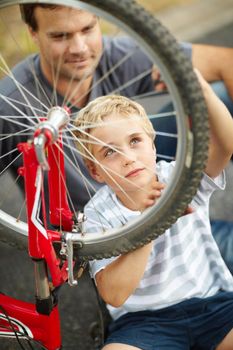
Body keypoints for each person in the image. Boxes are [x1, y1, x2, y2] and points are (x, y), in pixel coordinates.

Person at [0, 4, 233, 266]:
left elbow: (226, 62)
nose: (79, 48)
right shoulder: (9, 104)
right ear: (33, 32)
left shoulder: (117, 55)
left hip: (143, 174)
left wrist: (189, 80)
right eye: (60, 36)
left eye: (87, 29)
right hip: (107, 228)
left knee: (217, 99)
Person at [73, 72, 233, 349]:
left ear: (153, 143)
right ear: (94, 170)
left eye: (135, 140)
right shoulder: (96, 214)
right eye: (109, 152)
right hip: (145, 323)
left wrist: (203, 91)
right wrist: (150, 221)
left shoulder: (178, 177)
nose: (128, 157)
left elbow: (225, 145)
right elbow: (113, 293)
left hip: (212, 305)